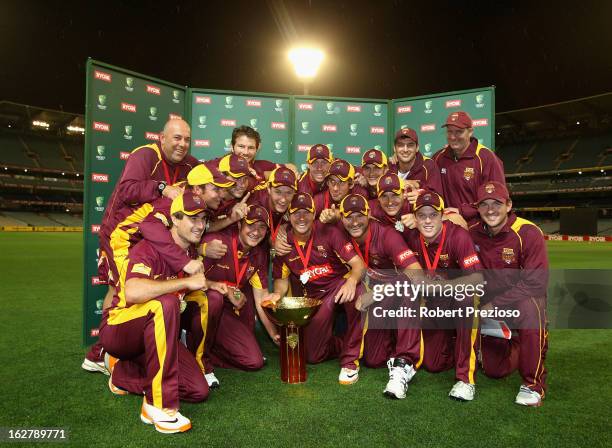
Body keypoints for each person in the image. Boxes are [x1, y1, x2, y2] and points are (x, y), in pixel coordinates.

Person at [98, 192, 223, 434]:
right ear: (174, 220)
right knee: (164, 304)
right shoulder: (148, 248)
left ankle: (123, 374)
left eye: (203, 219)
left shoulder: (191, 255)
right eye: (192, 219)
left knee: (198, 391)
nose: (199, 225)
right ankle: (157, 406)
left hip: (155, 337)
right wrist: (184, 284)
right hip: (119, 329)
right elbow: (133, 292)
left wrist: (214, 287)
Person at [83, 118, 200, 374]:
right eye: (177, 138)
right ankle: (100, 352)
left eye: (187, 139)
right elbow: (126, 190)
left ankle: (126, 346)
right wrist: (161, 188)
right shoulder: (146, 154)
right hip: (122, 233)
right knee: (122, 288)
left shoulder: (190, 164)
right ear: (162, 138)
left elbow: (209, 176)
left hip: (151, 234)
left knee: (145, 288)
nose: (182, 144)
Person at [267, 193, 367, 385]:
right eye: (297, 213)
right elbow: (281, 281)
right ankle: (345, 342)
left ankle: (350, 363)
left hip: (338, 285)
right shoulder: (284, 246)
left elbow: (358, 264)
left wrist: (352, 281)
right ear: (289, 215)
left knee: (357, 294)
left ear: (314, 214)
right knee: (313, 356)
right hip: (314, 298)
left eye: (307, 213)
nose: (302, 218)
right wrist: (277, 295)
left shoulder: (329, 232)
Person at [469, 181, 549, 407]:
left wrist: (493, 305)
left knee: (531, 308)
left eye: (497, 203)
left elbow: (536, 283)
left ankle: (533, 384)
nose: (490, 210)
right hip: (489, 306)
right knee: (496, 371)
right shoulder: (473, 233)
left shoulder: (528, 232)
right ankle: (517, 342)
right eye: (484, 204)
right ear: (478, 208)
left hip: (520, 300)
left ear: (509, 204)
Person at [338, 194, 423, 400]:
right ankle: (392, 347)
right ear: (341, 218)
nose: (355, 221)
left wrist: (376, 293)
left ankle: (404, 362)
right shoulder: (340, 233)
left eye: (360, 215)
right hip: (380, 302)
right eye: (349, 216)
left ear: (369, 215)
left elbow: (416, 273)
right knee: (374, 360)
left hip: (398, 294)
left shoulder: (387, 235)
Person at [402, 191, 484, 401]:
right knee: (433, 364)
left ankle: (466, 379)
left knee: (466, 297)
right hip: (432, 304)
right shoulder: (412, 237)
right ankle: (455, 341)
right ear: (415, 217)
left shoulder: (458, 236)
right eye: (422, 215)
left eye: (433, 215)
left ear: (442, 215)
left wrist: (443, 287)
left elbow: (476, 278)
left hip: (454, 297)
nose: (428, 220)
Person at [183, 205, 273, 385]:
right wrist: (217, 285)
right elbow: (186, 276)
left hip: (227, 311)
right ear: (240, 224)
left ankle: (194, 346)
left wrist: (274, 333)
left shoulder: (259, 255)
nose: (256, 232)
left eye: (262, 227)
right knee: (214, 298)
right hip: (197, 306)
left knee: (253, 361)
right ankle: (202, 361)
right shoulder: (216, 243)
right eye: (251, 225)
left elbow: (261, 296)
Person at [432, 111, 506, 222]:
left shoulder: (486, 158)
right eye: (449, 132)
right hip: (448, 227)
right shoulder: (439, 157)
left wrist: (462, 211)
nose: (453, 137)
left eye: (459, 132)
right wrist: (397, 161)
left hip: (479, 226)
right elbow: (425, 180)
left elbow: (498, 198)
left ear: (470, 131)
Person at [388, 128, 443, 197]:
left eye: (410, 145)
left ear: (417, 148)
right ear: (394, 148)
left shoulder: (428, 166)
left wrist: (421, 196)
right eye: (401, 145)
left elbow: (438, 197)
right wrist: (400, 182)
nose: (405, 150)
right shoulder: (389, 166)